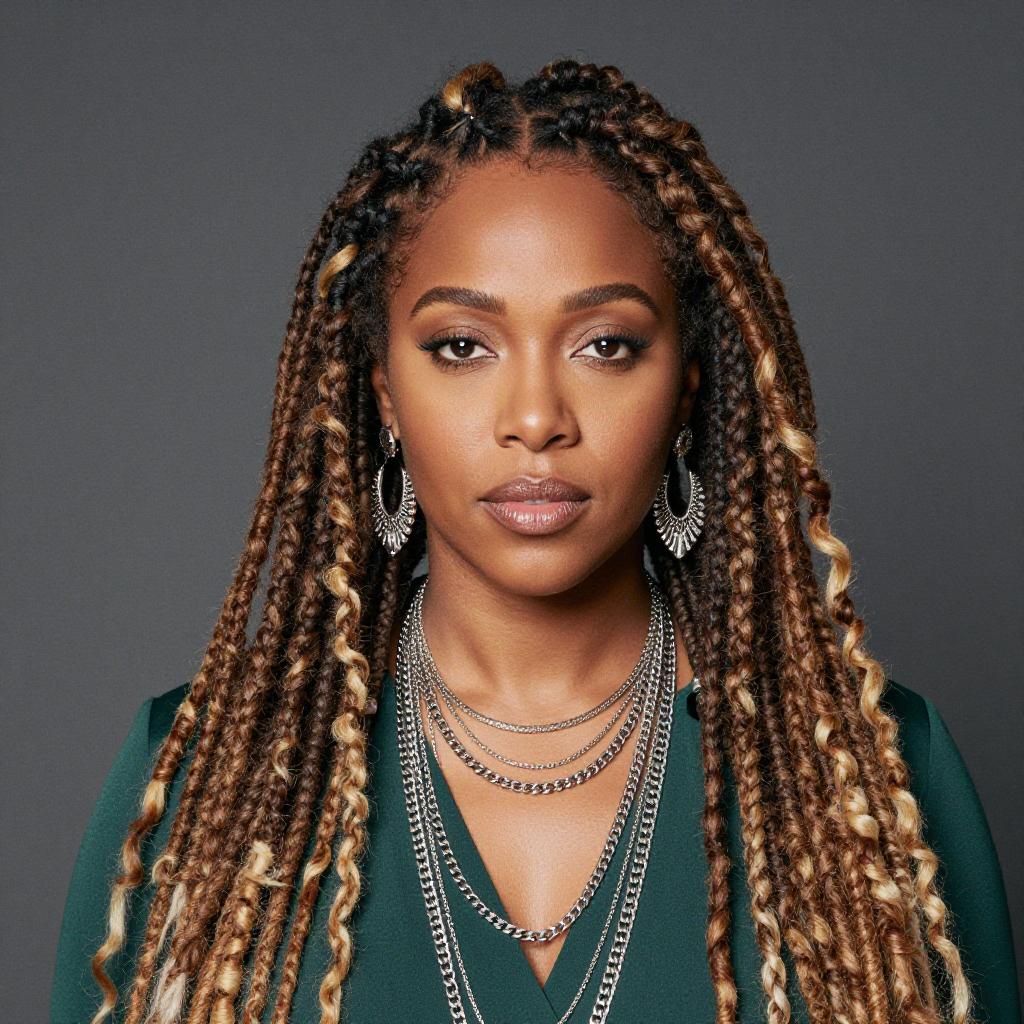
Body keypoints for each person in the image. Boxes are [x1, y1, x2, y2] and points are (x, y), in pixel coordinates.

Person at [50, 58, 1018, 1024]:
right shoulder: (196, 779)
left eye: (606, 345)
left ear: (685, 387)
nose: (536, 418)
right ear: (385, 392)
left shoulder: (882, 777)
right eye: (461, 346)